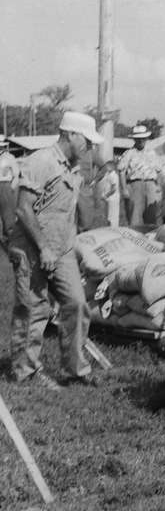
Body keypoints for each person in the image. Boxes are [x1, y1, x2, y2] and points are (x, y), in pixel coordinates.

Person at [7, 111, 103, 387]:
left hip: (62, 250)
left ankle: (75, 369)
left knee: (77, 303)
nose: (89, 146)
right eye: (86, 140)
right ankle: (25, 371)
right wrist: (43, 248)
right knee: (32, 308)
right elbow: (24, 209)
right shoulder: (41, 161)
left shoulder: (72, 167)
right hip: (32, 248)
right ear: (71, 134)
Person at [117, 124, 162, 226]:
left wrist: (158, 187)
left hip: (151, 184)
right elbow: (121, 171)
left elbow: (158, 170)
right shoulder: (129, 153)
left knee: (152, 214)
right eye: (138, 139)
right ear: (134, 140)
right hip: (135, 185)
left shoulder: (152, 153)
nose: (141, 141)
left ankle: (150, 238)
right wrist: (124, 189)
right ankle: (136, 238)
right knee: (135, 215)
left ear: (146, 139)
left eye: (143, 138)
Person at [0, 135, 19, 244]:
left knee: (7, 214)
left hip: (5, 186)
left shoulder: (9, 157)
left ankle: (10, 237)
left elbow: (16, 175)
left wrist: (11, 187)